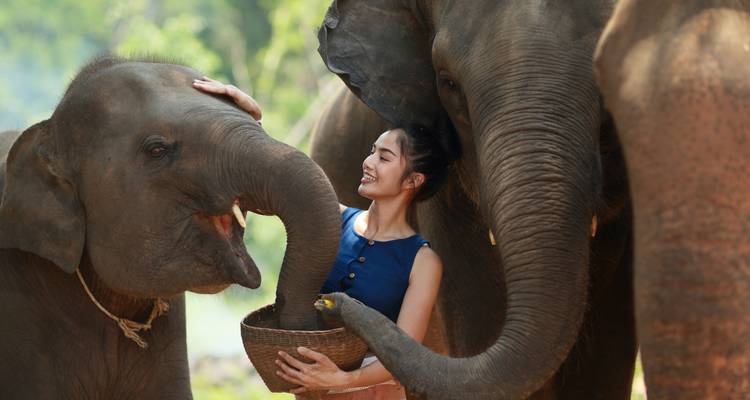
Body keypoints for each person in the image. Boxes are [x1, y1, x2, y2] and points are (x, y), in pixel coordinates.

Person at [193, 77, 457, 399]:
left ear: (413, 180)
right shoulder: (333, 219)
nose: (368, 162)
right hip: (311, 388)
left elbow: (405, 357)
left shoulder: (423, 261)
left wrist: (339, 380)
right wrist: (251, 117)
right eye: (372, 152)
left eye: (384, 158)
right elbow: (278, 180)